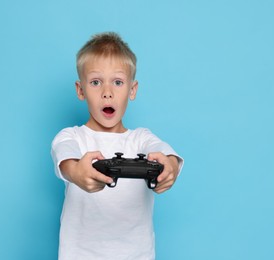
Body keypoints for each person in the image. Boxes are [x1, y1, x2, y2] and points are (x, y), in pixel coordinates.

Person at [51, 32, 183, 260]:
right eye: (95, 82)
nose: (107, 92)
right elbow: (66, 161)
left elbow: (165, 152)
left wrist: (169, 167)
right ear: (80, 90)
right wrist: (78, 172)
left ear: (132, 90)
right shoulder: (71, 137)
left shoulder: (141, 139)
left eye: (118, 82)